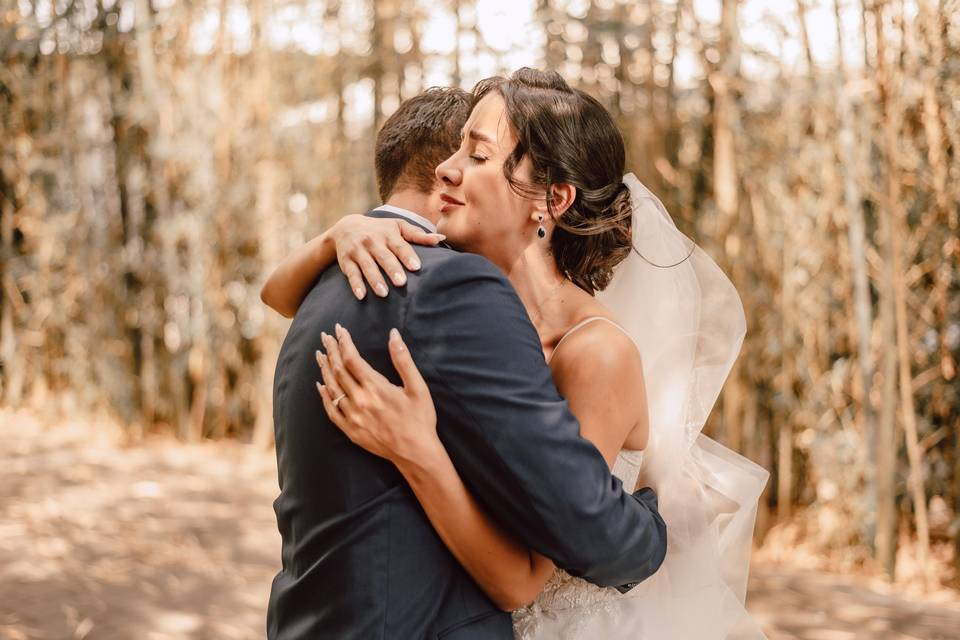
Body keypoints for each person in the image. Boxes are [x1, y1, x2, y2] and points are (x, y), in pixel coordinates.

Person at [262, 83, 668, 640]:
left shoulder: (584, 346)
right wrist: (340, 231)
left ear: (553, 200)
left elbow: (549, 556)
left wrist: (419, 451)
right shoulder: (453, 301)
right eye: (455, 151)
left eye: (475, 155)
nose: (446, 172)